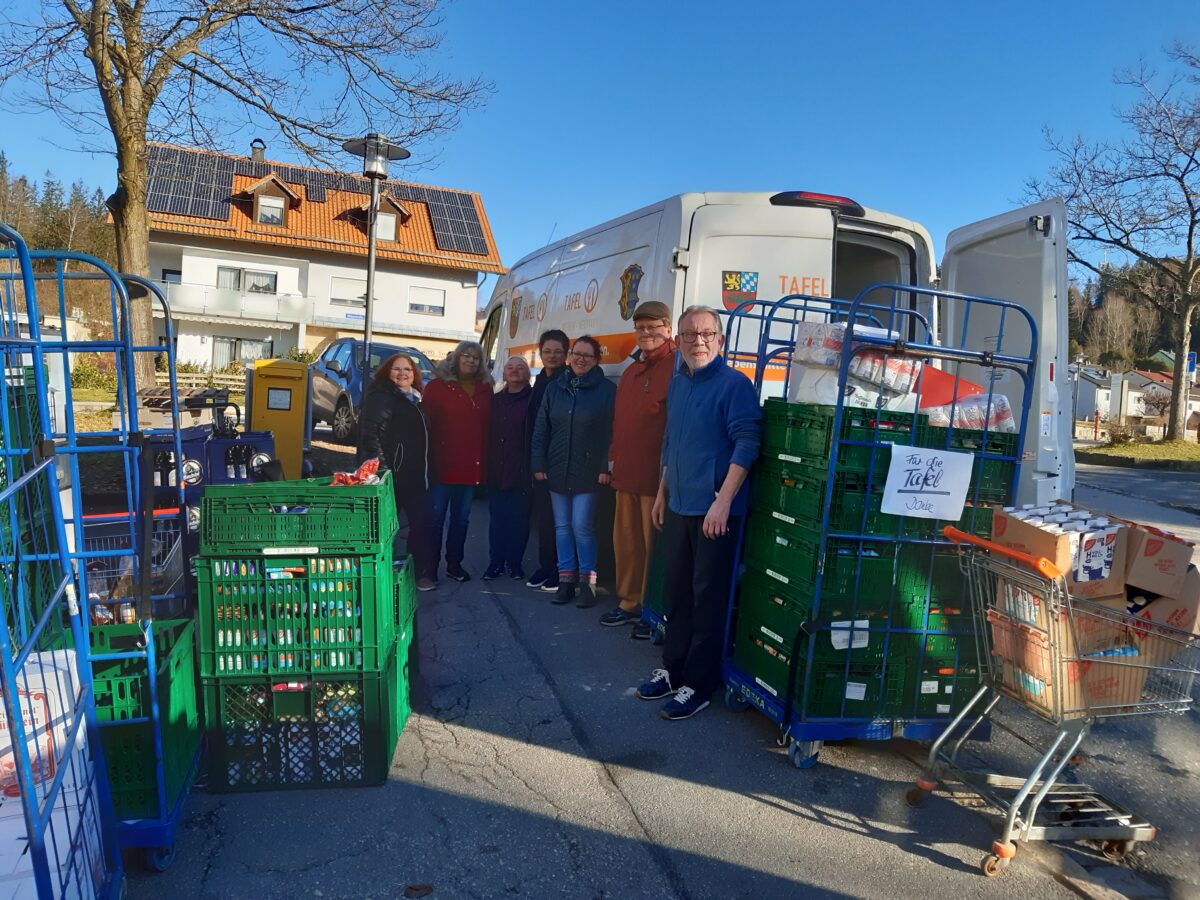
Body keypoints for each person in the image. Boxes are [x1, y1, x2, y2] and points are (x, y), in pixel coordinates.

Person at [637, 305, 761, 720]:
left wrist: (723, 501)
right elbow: (672, 442)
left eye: (707, 334)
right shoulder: (678, 384)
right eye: (689, 334)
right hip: (678, 505)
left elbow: (746, 443)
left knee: (707, 597)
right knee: (676, 592)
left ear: (721, 341)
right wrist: (660, 492)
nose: (698, 341)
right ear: (680, 340)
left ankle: (700, 683)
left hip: (715, 512)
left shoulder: (734, 385)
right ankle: (673, 670)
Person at [598, 301, 675, 631]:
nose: (646, 333)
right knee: (626, 544)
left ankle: (653, 610)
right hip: (626, 475)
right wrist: (613, 461)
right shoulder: (630, 372)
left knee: (655, 551)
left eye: (653, 326)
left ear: (668, 329)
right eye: (640, 327)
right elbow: (619, 424)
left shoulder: (677, 367)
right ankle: (629, 602)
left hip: (656, 481)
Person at [531, 335, 616, 608]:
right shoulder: (555, 388)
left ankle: (587, 583)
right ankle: (566, 582)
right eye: (577, 354)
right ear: (570, 357)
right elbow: (541, 428)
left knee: (582, 526)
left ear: (596, 360)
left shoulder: (606, 390)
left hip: (589, 471)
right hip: (556, 468)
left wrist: (605, 466)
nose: (581, 359)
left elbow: (611, 433)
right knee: (562, 527)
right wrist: (538, 463)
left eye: (587, 356)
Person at [356, 352, 437, 592]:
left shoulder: (414, 400)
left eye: (408, 370)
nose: (403, 374)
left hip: (416, 478)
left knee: (422, 526)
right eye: (397, 369)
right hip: (392, 477)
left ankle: (419, 574)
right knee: (386, 527)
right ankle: (381, 577)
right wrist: (384, 472)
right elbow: (371, 436)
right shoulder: (381, 398)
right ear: (386, 373)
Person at [422, 340, 492, 582]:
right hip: (442, 467)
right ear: (456, 358)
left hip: (470, 468)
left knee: (461, 520)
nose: (471, 360)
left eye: (476, 357)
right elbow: (425, 427)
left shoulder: (485, 389)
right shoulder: (437, 387)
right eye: (467, 356)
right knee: (436, 519)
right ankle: (429, 568)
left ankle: (454, 564)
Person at [524, 329, 570, 591]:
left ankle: (558, 571)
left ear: (566, 355)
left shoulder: (566, 382)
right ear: (540, 354)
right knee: (544, 518)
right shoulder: (540, 380)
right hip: (540, 462)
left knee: (559, 522)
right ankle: (545, 566)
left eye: (558, 352)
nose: (552, 356)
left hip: (559, 462)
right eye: (547, 351)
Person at [484, 356, 534, 581]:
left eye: (520, 367)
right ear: (503, 374)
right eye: (510, 367)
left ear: (527, 374)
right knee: (497, 521)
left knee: (519, 521)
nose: (514, 371)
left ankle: (515, 564)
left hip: (521, 470)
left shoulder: (533, 400)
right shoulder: (494, 401)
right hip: (496, 469)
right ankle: (495, 563)